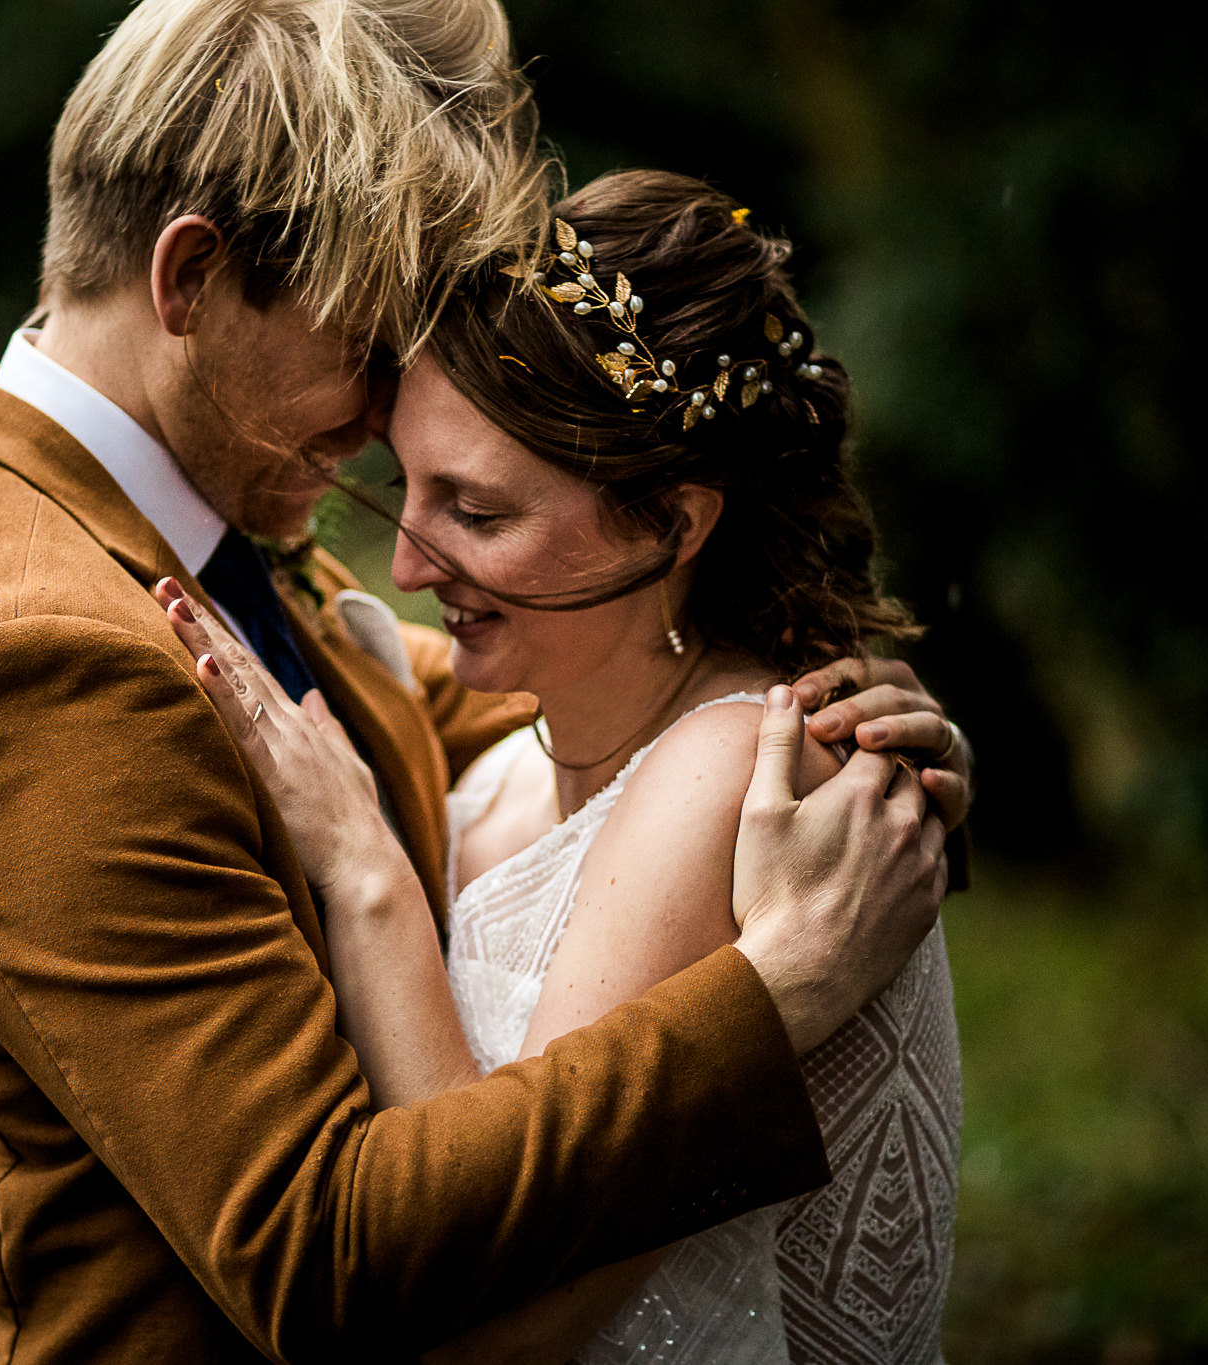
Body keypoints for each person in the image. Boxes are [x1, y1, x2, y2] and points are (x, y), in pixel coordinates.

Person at [0, 3, 966, 1362]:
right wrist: (781, 983)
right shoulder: (43, 658)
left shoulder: (170, 520)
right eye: (366, 341)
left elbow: (502, 694)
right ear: (190, 281)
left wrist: (822, 717)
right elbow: (321, 1259)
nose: (385, 407)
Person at [153, 170, 965, 1365]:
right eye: (406, 488)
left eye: (477, 515)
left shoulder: (732, 781)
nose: (413, 566)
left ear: (673, 524)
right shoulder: (507, 764)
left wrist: (371, 879)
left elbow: (477, 1309)